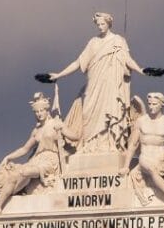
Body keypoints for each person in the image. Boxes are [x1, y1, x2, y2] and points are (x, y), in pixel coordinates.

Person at [48, 12, 148, 152]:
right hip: (94, 83)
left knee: (111, 111)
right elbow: (78, 62)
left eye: (103, 24)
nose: (100, 27)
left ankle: (110, 144)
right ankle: (89, 145)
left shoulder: (118, 40)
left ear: (109, 24)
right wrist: (59, 74)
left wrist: (141, 70)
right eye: (98, 24)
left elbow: (127, 60)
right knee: (88, 113)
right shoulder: (93, 42)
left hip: (111, 83)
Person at [0, 93, 77, 216]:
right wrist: (8, 157)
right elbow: (24, 149)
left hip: (50, 162)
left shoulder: (55, 124)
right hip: (37, 160)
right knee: (13, 176)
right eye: (36, 112)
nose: (39, 114)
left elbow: (75, 137)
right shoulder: (36, 131)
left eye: (41, 111)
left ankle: (13, 192)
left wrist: (62, 128)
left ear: (46, 110)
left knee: (24, 172)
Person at [122, 92, 164, 204]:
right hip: (145, 159)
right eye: (150, 104)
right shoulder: (141, 121)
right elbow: (133, 144)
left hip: (161, 159)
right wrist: (125, 166)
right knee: (151, 169)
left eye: (154, 104)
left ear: (161, 105)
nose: (151, 107)